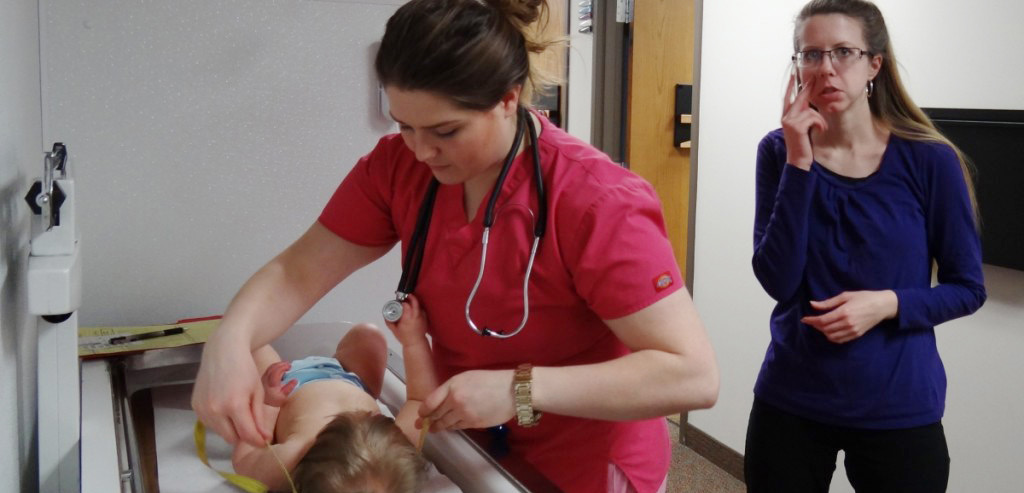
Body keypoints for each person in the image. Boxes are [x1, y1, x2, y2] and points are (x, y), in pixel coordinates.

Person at [192, 0, 719, 491]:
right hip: (469, 444)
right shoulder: (396, 167)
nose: (421, 151)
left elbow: (691, 375)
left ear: (508, 98)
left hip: (580, 462)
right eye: (405, 125)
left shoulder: (596, 201)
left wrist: (520, 390)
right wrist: (230, 342)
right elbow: (296, 273)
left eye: (445, 130)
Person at [745, 1, 987, 491]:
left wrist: (887, 304)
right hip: (793, 396)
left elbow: (968, 287)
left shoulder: (929, 159)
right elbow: (779, 281)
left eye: (843, 52)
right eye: (810, 55)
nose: (826, 68)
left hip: (897, 404)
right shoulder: (779, 150)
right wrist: (799, 162)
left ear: (874, 64)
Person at [230, 323, 431, 492]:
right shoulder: (400, 448)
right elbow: (420, 399)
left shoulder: (290, 458)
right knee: (369, 335)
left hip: (282, 386)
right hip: (347, 375)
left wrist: (268, 402)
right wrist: (414, 340)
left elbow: (246, 457)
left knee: (248, 345)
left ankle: (239, 332)